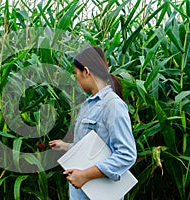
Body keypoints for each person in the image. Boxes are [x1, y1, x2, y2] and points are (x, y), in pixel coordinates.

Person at [49, 46, 137, 199]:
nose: (76, 78)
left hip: (100, 194)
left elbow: (127, 154)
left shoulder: (112, 105)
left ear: (86, 71)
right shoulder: (88, 104)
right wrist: (66, 146)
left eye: (76, 73)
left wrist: (85, 175)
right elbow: (92, 147)